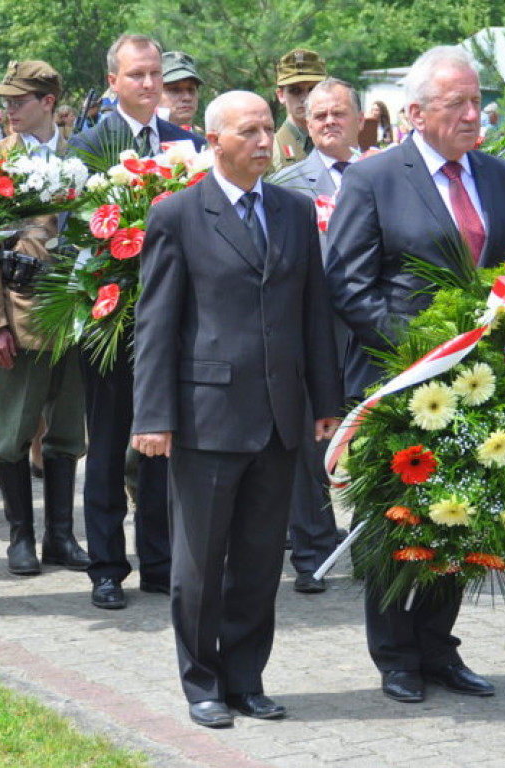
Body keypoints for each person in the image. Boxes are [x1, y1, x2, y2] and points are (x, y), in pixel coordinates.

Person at [326, 46, 505, 703]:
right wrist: (418, 355)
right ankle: (394, 657)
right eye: (457, 105)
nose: (474, 115)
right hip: (398, 381)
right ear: (415, 114)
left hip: (480, 386)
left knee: (461, 518)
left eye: (478, 101)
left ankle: (438, 647)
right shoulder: (374, 179)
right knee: (397, 522)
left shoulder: (498, 178)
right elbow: (350, 284)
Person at [131, 90, 341, 728]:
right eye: (248, 131)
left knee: (256, 561)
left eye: (267, 130)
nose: (263, 141)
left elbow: (314, 312)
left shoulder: (294, 210)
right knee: (199, 565)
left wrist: (325, 403)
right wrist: (152, 416)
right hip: (205, 417)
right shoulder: (177, 215)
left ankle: (246, 678)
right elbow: (157, 324)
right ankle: (202, 683)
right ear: (214, 139)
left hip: (279, 415)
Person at [70, 33, 205, 610]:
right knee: (106, 446)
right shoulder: (87, 146)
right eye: (137, 75)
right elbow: (70, 235)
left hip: (171, 320)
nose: (150, 85)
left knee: (162, 443)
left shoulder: (187, 144)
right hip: (110, 317)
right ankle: (105, 566)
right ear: (113, 83)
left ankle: (159, 561)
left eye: (155, 74)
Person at [0, 59, 89, 576]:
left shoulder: (84, 154)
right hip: (20, 315)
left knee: (67, 434)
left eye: (18, 101)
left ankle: (60, 538)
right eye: (3, 102)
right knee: (11, 434)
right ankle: (20, 538)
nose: (8, 111)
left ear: (48, 104)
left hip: (77, 314)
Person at [276, 77, 363, 593]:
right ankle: (311, 552)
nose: (330, 122)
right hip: (315, 332)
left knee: (374, 441)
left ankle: (375, 549)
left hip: (372, 333)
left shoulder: (382, 175)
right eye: (319, 116)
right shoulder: (290, 183)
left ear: (357, 119)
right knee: (313, 443)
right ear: (307, 125)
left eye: (339, 114)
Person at [272, 48, 327, 168]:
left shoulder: (336, 145)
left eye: (312, 90)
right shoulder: (270, 151)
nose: (305, 98)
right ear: (281, 95)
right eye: (295, 91)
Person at [160, 51, 203, 132]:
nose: (187, 97)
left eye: (191, 89)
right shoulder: (139, 141)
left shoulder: (207, 142)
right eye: (175, 90)